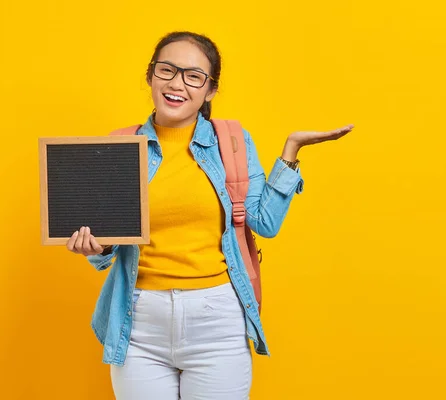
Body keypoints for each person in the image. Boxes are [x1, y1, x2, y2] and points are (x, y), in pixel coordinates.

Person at [66, 31, 353, 400]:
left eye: (193, 76)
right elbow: (106, 252)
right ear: (151, 76)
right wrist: (94, 247)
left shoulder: (231, 141)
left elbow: (264, 222)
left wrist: (290, 152)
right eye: (167, 70)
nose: (177, 84)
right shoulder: (120, 144)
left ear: (210, 90)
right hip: (138, 324)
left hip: (216, 320)